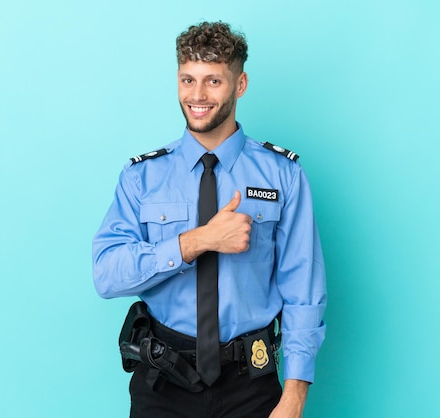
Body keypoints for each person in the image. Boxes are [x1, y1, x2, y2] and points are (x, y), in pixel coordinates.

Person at [92, 21, 326, 418]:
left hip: (250, 385)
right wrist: (197, 241)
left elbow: (304, 290)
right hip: (163, 383)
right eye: (187, 80)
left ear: (241, 84)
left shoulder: (282, 175)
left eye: (213, 81)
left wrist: (294, 396)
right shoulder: (141, 178)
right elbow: (107, 276)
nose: (197, 96)